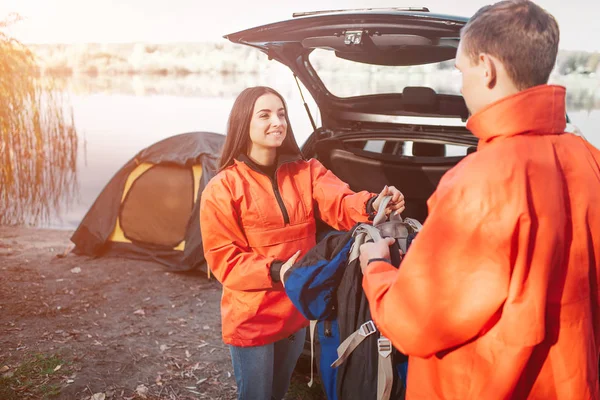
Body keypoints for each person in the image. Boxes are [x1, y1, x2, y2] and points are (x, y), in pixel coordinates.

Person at [359, 1, 600, 399]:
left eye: (461, 70)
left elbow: (412, 322)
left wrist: (378, 268)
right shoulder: (590, 160)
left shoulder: (479, 181)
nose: (461, 83)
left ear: (486, 68)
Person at [199, 86, 404, 400]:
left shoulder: (307, 172)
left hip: (295, 306)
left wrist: (373, 204)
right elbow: (224, 259)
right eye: (265, 115)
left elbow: (341, 202)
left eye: (281, 114)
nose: (277, 122)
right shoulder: (223, 187)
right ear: (244, 123)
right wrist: (277, 270)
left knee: (278, 394)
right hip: (251, 315)